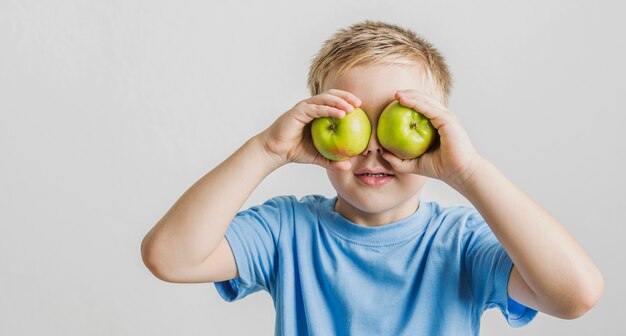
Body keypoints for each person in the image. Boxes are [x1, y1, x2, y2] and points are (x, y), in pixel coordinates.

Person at [141, 20, 604, 335]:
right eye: (354, 120)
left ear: (436, 133)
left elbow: (575, 295)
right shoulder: (287, 230)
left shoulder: (461, 243)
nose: (373, 149)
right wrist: (266, 150)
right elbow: (170, 258)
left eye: (396, 121)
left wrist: (467, 170)